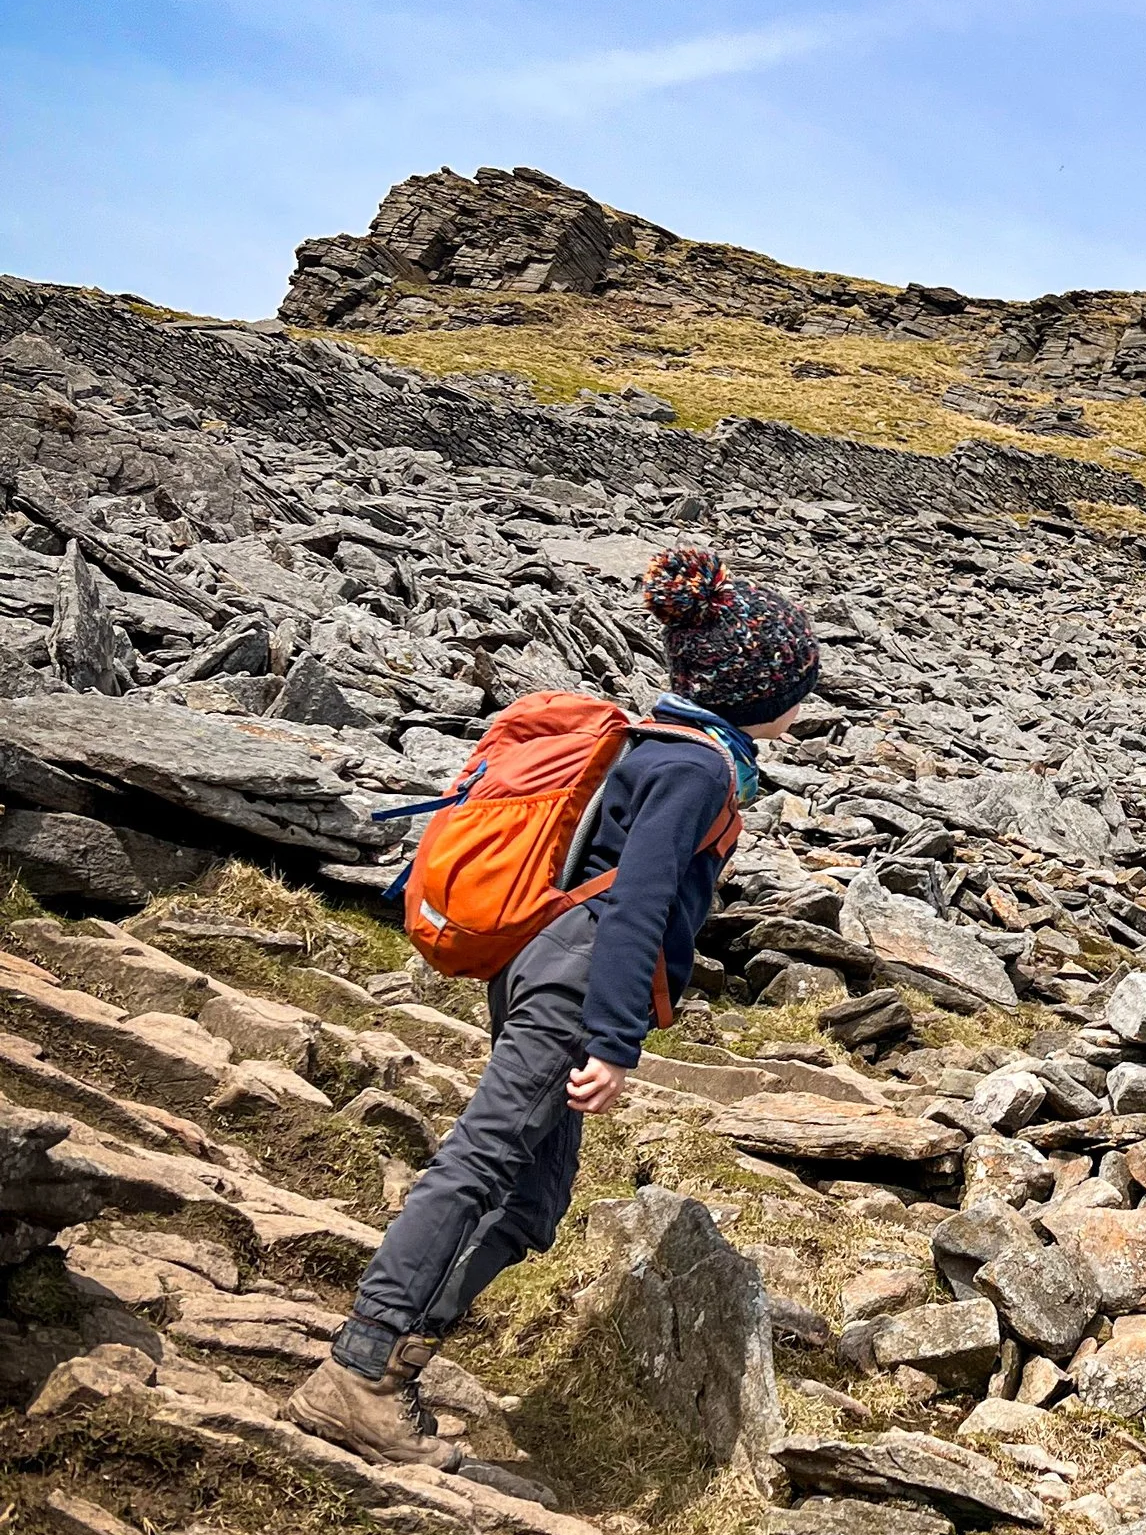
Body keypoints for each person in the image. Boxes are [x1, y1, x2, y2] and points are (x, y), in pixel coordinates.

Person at [286, 544, 819, 1465]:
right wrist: (613, 1039)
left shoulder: (661, 739)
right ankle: (360, 1371)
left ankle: (397, 1355)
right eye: (798, 685)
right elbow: (639, 904)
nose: (806, 703)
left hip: (541, 959)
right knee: (482, 1160)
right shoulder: (697, 771)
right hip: (575, 981)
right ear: (761, 693)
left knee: (536, 1200)